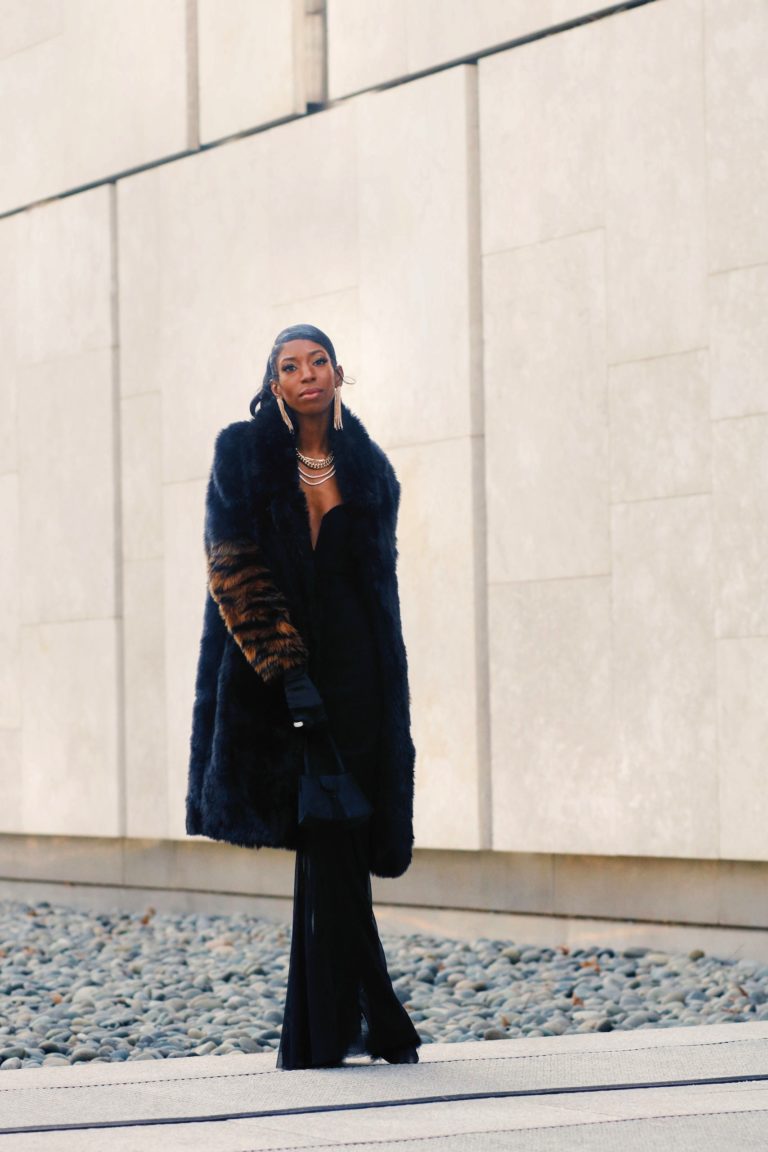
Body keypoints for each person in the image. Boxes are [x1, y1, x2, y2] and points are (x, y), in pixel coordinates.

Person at [186, 323, 421, 1069]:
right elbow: (232, 567)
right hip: (282, 670)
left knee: (343, 835)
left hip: (359, 673)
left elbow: (375, 584)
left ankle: (339, 1027)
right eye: (291, 366)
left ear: (338, 375)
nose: (307, 373)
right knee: (325, 838)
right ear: (275, 384)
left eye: (318, 361)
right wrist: (287, 671)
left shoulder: (369, 468)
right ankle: (360, 1021)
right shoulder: (243, 454)